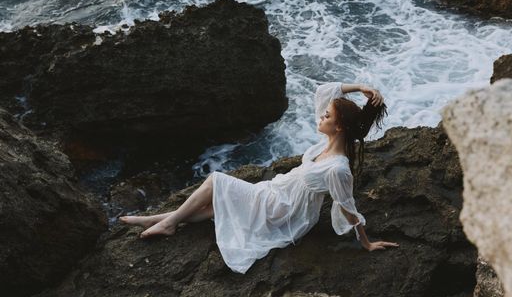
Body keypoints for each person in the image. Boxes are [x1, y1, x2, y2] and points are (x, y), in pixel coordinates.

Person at [119, 81, 400, 273]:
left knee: (216, 181)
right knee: (217, 206)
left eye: (326, 117)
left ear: (338, 127)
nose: (320, 117)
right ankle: (160, 220)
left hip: (286, 211)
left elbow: (348, 207)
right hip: (277, 193)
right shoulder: (328, 143)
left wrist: (366, 243)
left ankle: (167, 222)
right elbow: (323, 91)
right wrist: (361, 87)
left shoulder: (338, 167)